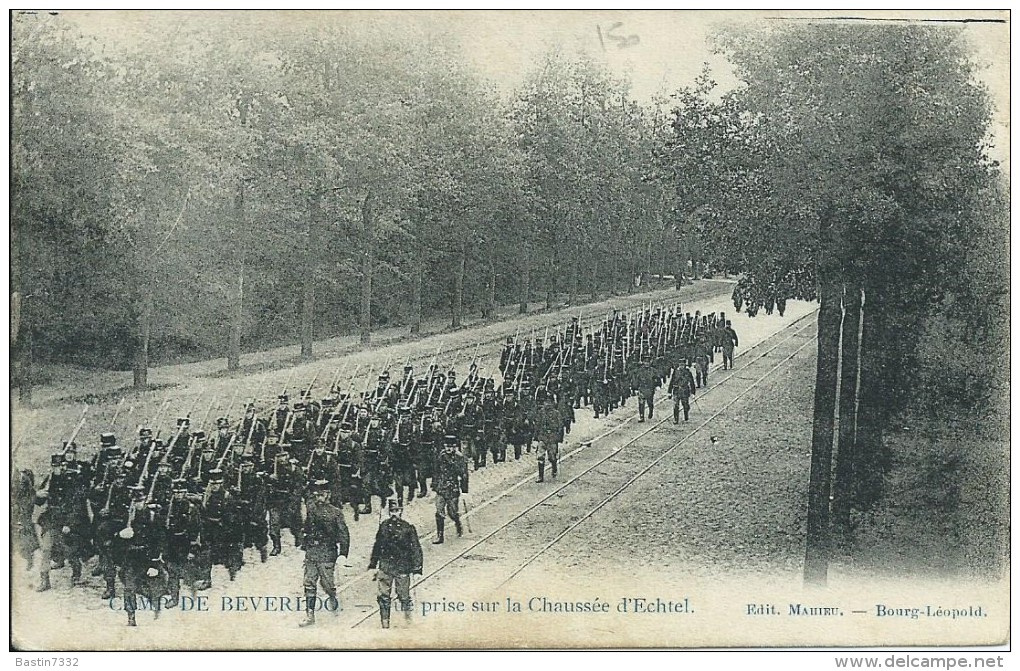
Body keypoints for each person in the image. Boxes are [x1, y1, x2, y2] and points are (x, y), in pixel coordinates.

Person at [300, 479, 350, 627]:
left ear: (328, 495)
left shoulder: (336, 513)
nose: (319, 498)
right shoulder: (311, 509)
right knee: (309, 583)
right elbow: (307, 528)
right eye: (316, 495)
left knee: (327, 584)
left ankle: (332, 597)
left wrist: (343, 553)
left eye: (321, 495)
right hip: (312, 552)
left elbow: (343, 534)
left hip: (327, 553)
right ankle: (310, 615)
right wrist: (304, 540)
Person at [368, 499, 423, 629]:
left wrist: (417, 569)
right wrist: (373, 564)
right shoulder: (383, 526)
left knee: (404, 596)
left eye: (397, 511)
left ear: (401, 511)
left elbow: (416, 549)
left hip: (402, 567)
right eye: (392, 511)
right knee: (383, 597)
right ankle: (385, 623)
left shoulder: (408, 528)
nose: (394, 514)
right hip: (386, 566)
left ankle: (408, 620)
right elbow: (378, 545)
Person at [432, 435, 468, 544]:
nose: (449, 448)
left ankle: (457, 522)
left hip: (453, 489)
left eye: (451, 446)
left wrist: (464, 489)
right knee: (439, 511)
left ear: (455, 447)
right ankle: (440, 536)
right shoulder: (441, 456)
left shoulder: (459, 457)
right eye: (447, 446)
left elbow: (464, 474)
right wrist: (434, 484)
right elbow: (436, 471)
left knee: (452, 512)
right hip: (441, 488)